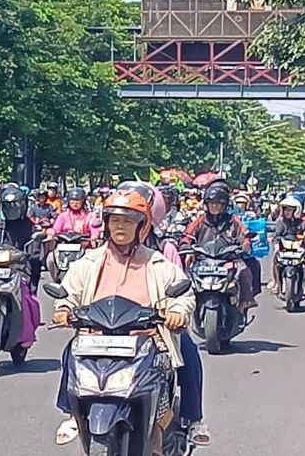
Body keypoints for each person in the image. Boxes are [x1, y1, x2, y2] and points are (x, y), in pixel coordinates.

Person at [51, 191, 202, 447]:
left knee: (187, 350)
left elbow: (183, 293)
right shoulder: (88, 262)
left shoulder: (158, 263)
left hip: (147, 338)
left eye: (128, 221)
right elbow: (69, 292)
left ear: (141, 227)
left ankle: (193, 419)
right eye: (115, 221)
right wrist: (64, 309)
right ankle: (72, 414)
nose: (120, 227)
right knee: (70, 353)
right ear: (107, 224)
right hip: (96, 339)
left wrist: (178, 312)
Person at [183, 185, 257, 313]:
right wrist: (185, 245)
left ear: (225, 205)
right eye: (212, 203)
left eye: (218, 204)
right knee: (184, 271)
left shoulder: (232, 221)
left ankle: (244, 301)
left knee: (244, 270)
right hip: (202, 259)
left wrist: (245, 244)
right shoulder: (200, 220)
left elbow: (244, 234)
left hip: (228, 260)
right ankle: (183, 303)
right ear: (206, 204)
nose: (215, 207)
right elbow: (187, 235)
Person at [268, 196, 305, 297]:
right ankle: (276, 284)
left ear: (296, 211)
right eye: (285, 209)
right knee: (275, 260)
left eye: (290, 210)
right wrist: (273, 238)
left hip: (300, 248)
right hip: (285, 248)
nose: (287, 212)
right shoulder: (281, 222)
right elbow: (277, 234)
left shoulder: (302, 223)